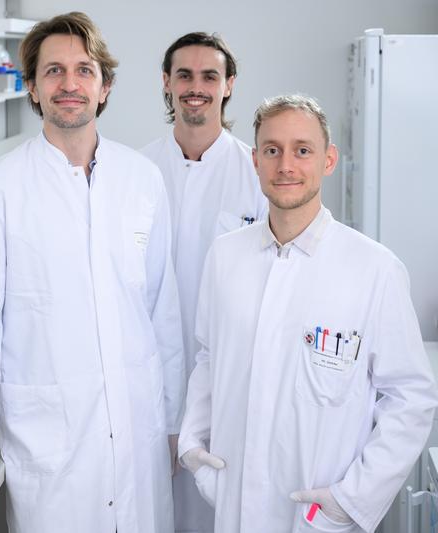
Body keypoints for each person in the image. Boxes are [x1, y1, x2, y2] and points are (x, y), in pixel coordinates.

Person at [0, 11, 185, 533]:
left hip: (139, 438)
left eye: (84, 70)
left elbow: (163, 311)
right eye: (54, 71)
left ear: (104, 87)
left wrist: (173, 422)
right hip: (51, 447)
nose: (70, 84)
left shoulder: (143, 180)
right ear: (34, 90)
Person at [178, 94, 438, 532]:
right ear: (255, 160)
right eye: (272, 150)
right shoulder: (225, 256)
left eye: (302, 150)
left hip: (316, 514)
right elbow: (209, 357)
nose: (286, 166)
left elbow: (410, 399)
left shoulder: (375, 269)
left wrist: (351, 498)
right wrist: (193, 445)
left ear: (328, 160)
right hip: (233, 504)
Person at [140, 32, 266, 533]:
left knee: (222, 509)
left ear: (228, 85)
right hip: (148, 379)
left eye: (209, 76)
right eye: (184, 75)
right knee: (152, 506)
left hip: (230, 381)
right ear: (167, 83)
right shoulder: (135, 171)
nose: (196, 87)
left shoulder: (257, 172)